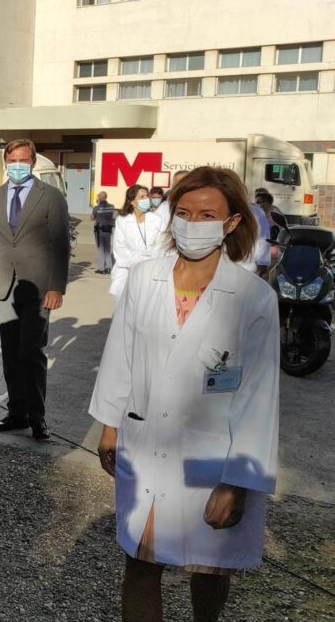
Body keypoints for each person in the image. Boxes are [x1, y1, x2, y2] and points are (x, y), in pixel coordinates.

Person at [90, 166, 279, 622]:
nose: (193, 224)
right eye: (184, 212)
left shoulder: (252, 297)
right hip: (148, 440)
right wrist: (110, 426)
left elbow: (260, 396)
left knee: (210, 568)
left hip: (215, 455)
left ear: (231, 222)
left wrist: (237, 482)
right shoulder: (144, 278)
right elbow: (121, 356)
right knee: (141, 561)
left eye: (207, 214)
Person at [0, 139, 70, 441]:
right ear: (5, 163)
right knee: (9, 353)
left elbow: (61, 244)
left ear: (32, 162)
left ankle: (38, 417)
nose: (17, 166)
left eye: (23, 160)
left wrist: (56, 286)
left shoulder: (50, 196)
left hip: (37, 287)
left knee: (31, 352)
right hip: (3, 286)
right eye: (12, 161)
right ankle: (17, 412)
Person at [110, 184, 165, 301]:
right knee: (125, 306)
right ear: (132, 202)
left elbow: (162, 243)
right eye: (142, 197)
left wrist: (153, 263)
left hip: (152, 267)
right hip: (128, 269)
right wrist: (130, 266)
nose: (147, 199)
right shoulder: (123, 220)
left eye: (147, 196)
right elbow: (119, 246)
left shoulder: (157, 219)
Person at [91, 191, 115, 274]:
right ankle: (109, 267)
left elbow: (91, 218)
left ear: (100, 198)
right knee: (107, 249)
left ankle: (101, 268)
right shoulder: (111, 207)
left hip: (99, 231)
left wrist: (97, 205)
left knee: (100, 249)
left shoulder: (96, 208)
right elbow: (112, 217)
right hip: (108, 230)